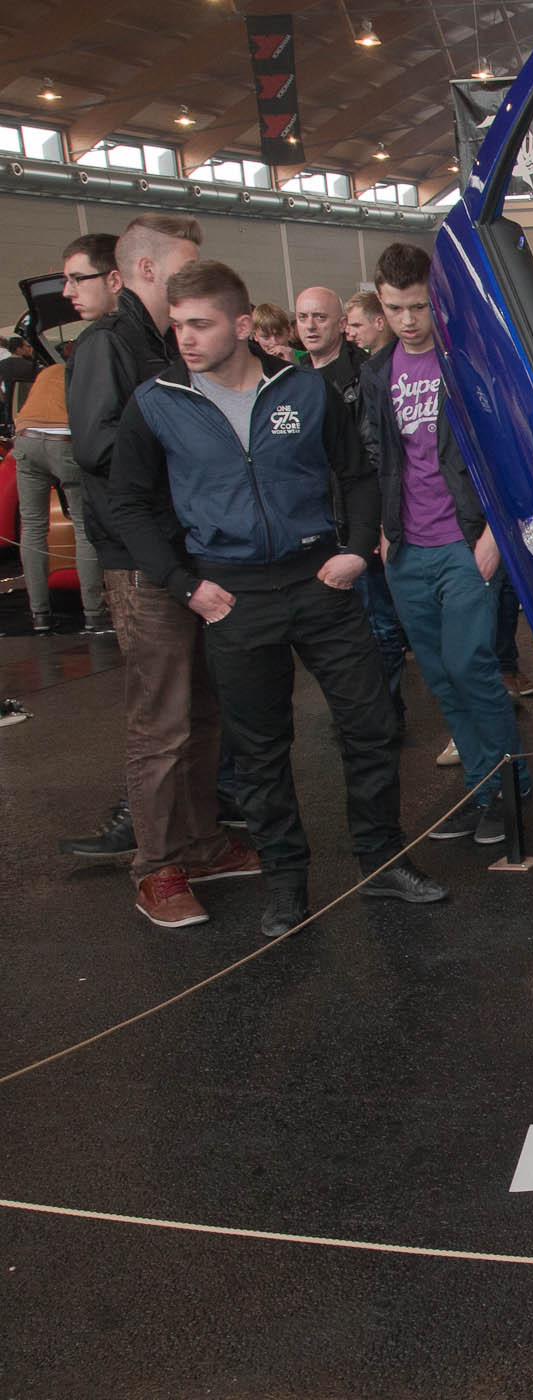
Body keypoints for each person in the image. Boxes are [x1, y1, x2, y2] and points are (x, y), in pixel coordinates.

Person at [107, 261, 447, 938]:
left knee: (371, 726)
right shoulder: (157, 402)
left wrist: (356, 550)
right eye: (177, 325)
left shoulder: (305, 389)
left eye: (200, 324)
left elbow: (357, 473)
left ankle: (383, 863)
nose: (185, 338)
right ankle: (287, 884)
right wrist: (184, 585)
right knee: (260, 750)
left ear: (242, 325)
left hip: (320, 581)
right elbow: (129, 505)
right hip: (230, 594)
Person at [63, 213, 253, 924]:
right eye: (182, 265)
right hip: (141, 560)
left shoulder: (164, 341)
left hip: (188, 551)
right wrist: (191, 440)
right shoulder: (107, 343)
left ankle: (200, 844)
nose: (193, 277)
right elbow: (95, 446)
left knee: (202, 712)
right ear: (145, 269)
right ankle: (156, 868)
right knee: (161, 722)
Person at [360, 242, 533, 846]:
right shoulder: (378, 371)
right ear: (381, 306)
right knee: (440, 677)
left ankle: (512, 793)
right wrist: (384, 531)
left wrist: (496, 536)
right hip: (407, 548)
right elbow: (380, 459)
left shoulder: (470, 363)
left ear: (436, 299)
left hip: (466, 541)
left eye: (417, 307)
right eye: (394, 309)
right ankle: (481, 791)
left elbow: (514, 453)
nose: (408, 321)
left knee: (471, 668)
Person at [295, 285, 405, 726]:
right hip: (316, 526)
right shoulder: (292, 379)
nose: (310, 326)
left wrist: (374, 523)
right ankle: (359, 718)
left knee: (380, 626)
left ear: (341, 324)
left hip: (358, 522)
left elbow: (377, 456)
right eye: (303, 317)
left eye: (319, 317)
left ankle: (386, 717)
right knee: (333, 635)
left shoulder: (366, 375)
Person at [16, 234, 114, 635]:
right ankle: (94, 613)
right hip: (63, 442)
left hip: (26, 441)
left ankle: (39, 614)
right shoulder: (82, 366)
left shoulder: (47, 372)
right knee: (84, 530)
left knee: (32, 527)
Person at [0, 337, 37, 429]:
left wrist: (3, 397)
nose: (28, 349)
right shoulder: (30, 365)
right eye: (26, 346)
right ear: (18, 349)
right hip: (28, 401)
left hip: (9, 400)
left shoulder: (2, 364)